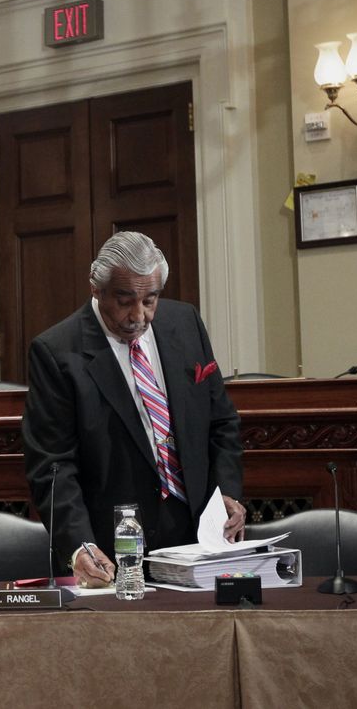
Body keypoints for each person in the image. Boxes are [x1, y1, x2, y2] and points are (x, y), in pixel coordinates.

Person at [22, 231, 246, 587]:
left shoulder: (185, 323)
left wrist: (227, 494)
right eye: (125, 300)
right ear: (97, 290)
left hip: (198, 539)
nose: (139, 316)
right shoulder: (57, 351)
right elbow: (53, 464)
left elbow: (222, 423)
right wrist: (81, 546)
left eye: (150, 300)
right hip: (113, 550)